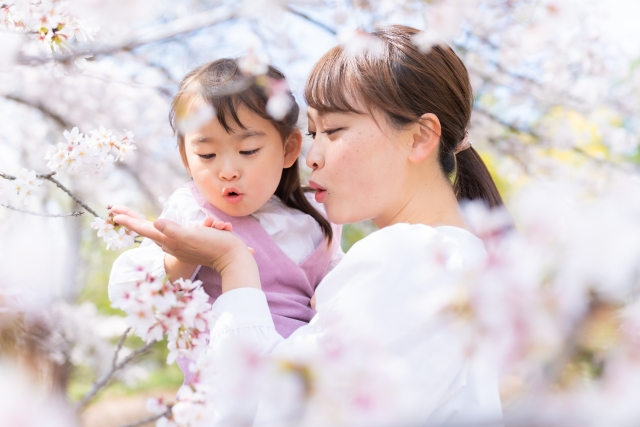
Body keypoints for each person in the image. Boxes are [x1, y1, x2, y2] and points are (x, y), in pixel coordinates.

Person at [113, 25, 504, 426]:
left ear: (420, 138)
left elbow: (262, 410)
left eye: (333, 130)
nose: (311, 156)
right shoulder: (449, 259)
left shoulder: (412, 256)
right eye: (313, 131)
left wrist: (234, 263)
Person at [108, 58, 343, 384]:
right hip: (224, 383)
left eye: (248, 150)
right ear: (185, 157)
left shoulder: (315, 222)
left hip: (298, 380)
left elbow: (340, 297)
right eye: (207, 155)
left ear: (289, 150)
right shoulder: (191, 210)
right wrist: (181, 256)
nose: (228, 170)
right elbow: (132, 292)